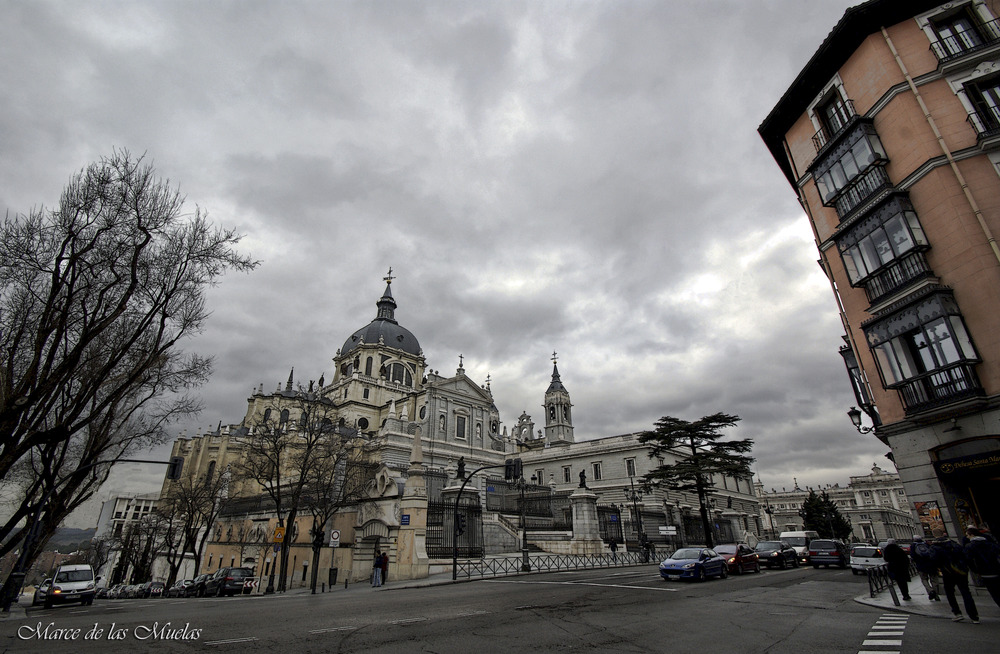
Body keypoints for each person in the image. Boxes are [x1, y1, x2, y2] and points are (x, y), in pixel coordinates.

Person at [932, 537, 979, 623]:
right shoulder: (956, 545)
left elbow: (934, 560)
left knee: (950, 593)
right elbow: (966, 557)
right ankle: (974, 616)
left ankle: (957, 613)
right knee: (966, 592)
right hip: (961, 572)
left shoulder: (937, 548)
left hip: (947, 573)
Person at [965, 526, 1000, 609]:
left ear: (972, 535)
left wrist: (976, 570)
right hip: (996, 570)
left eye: (968, 535)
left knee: (994, 592)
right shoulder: (990, 544)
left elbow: (969, 561)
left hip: (984, 573)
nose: (967, 537)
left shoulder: (970, 546)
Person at [910, 535, 940, 601]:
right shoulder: (926, 544)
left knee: (924, 579)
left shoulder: (913, 545)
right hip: (931, 564)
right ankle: (936, 595)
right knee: (934, 579)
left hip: (921, 565)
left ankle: (930, 591)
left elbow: (912, 556)